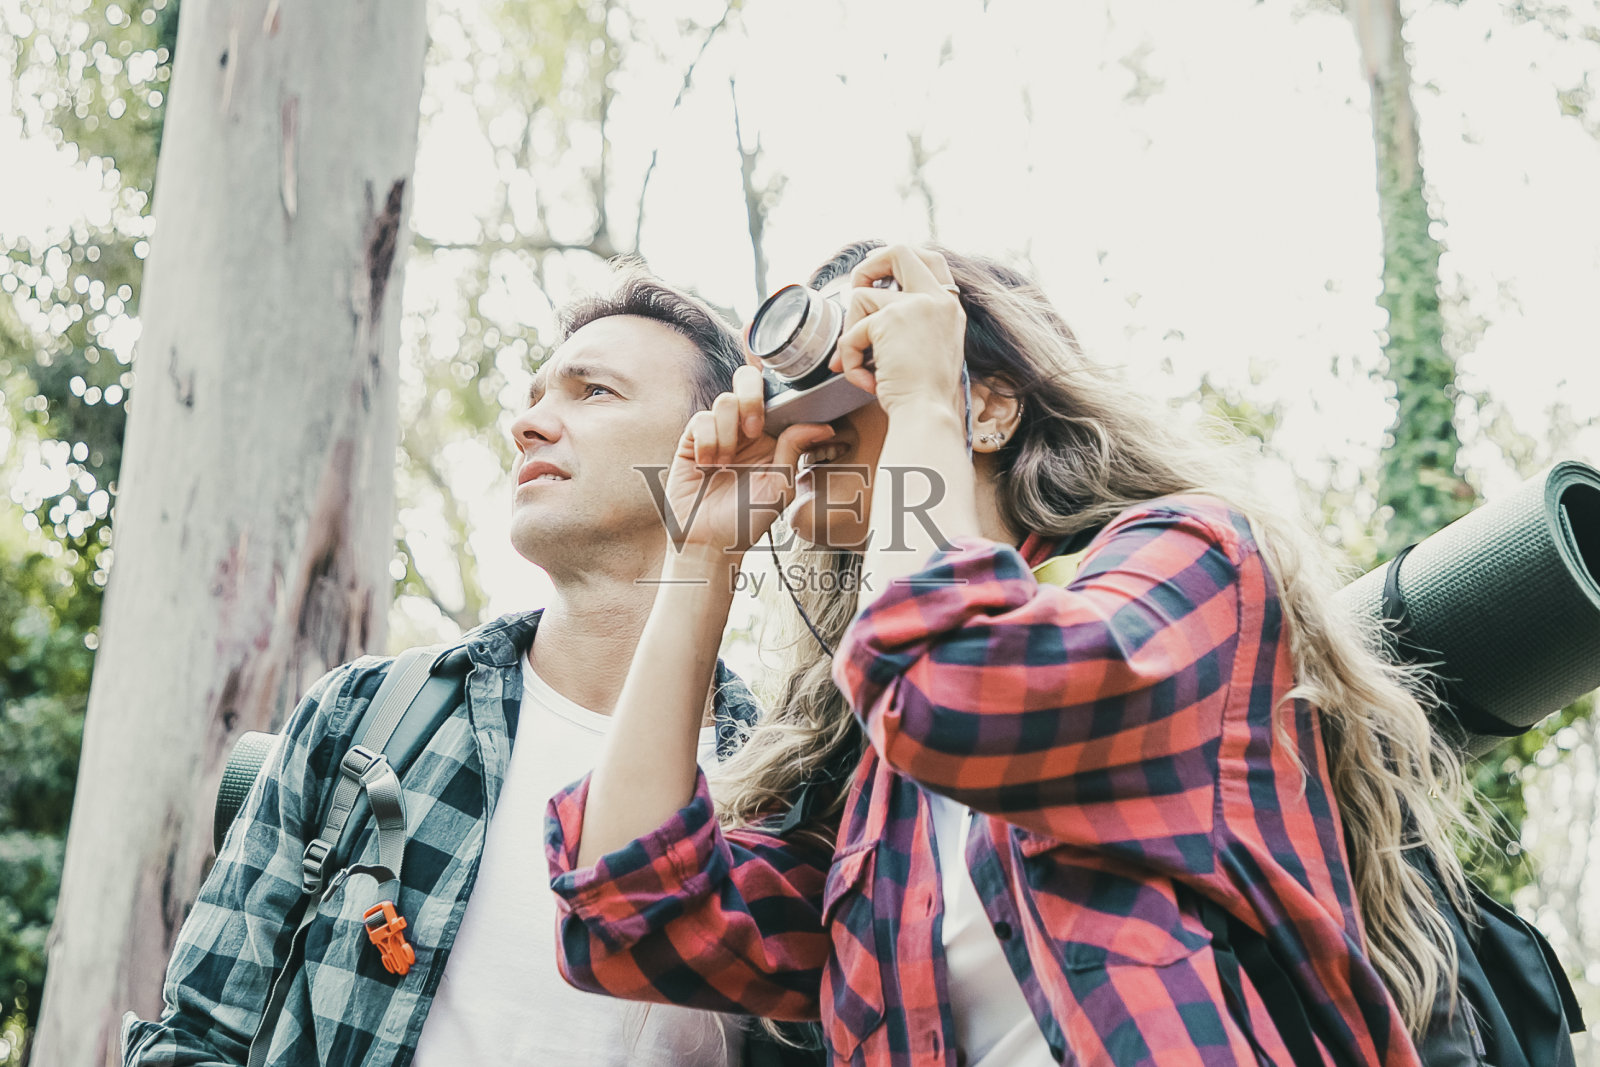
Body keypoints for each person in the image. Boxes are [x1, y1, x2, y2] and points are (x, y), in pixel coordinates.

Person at [545, 241, 1481, 1066]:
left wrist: (924, 398)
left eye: (862, 368)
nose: (813, 422)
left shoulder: (1190, 563)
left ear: (988, 408)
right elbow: (633, 916)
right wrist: (702, 555)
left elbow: (954, 687)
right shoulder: (875, 799)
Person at [121, 270, 788, 1067]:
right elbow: (193, 1037)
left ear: (718, 443)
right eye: (536, 395)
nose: (528, 423)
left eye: (594, 392)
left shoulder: (784, 794)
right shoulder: (364, 715)